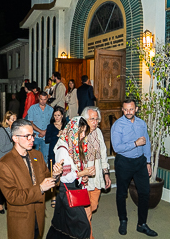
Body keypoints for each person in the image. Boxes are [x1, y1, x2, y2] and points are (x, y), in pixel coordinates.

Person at [0, 119, 64, 239]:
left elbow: (45, 177)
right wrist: (40, 188)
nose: (32, 139)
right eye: (27, 136)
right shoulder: (4, 164)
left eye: (32, 135)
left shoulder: (37, 155)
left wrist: (55, 175)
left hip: (38, 213)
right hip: (21, 219)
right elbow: (12, 196)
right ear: (15, 138)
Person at [110, 99, 158, 237]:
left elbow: (147, 143)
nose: (128, 112)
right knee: (121, 193)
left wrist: (148, 162)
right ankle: (123, 220)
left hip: (140, 163)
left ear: (136, 109)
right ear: (122, 110)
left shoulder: (142, 124)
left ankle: (141, 224)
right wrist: (135, 143)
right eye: (125, 110)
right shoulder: (118, 125)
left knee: (145, 193)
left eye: (131, 109)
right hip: (124, 162)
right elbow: (117, 147)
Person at [46, 116, 93, 239]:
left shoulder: (72, 145)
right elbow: (65, 177)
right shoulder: (63, 149)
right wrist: (82, 174)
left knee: (63, 224)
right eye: (80, 131)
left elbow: (74, 169)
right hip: (68, 191)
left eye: (84, 131)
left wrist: (83, 177)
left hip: (73, 189)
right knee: (83, 226)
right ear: (72, 131)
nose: (83, 135)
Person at [81, 106, 111, 239]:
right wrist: (82, 173)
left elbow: (104, 153)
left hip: (97, 175)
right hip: (85, 177)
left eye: (96, 119)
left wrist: (106, 173)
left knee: (93, 206)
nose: (95, 122)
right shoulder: (79, 133)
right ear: (85, 119)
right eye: (92, 119)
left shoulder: (98, 132)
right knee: (86, 212)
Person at [0, 111, 17, 214]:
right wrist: (16, 142)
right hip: (1, 162)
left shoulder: (16, 131)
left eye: (16, 119)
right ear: (7, 120)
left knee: (13, 184)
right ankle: (0, 202)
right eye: (12, 119)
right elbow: (2, 148)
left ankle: (8, 202)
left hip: (12, 161)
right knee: (5, 186)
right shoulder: (1, 131)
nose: (15, 121)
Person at [45, 106, 66, 208]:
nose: (57, 117)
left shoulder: (66, 125)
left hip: (64, 153)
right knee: (53, 175)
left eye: (58, 115)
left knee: (64, 174)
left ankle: (63, 196)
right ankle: (53, 196)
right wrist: (57, 135)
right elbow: (47, 139)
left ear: (62, 115)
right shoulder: (50, 126)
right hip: (53, 153)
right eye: (55, 115)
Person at [27, 91, 53, 163]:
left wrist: (45, 132)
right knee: (34, 157)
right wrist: (40, 131)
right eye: (41, 99)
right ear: (38, 98)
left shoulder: (51, 110)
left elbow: (53, 123)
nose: (43, 101)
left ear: (47, 99)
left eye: (44, 99)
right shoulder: (32, 108)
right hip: (35, 136)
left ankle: (43, 172)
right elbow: (30, 122)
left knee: (45, 157)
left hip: (46, 137)